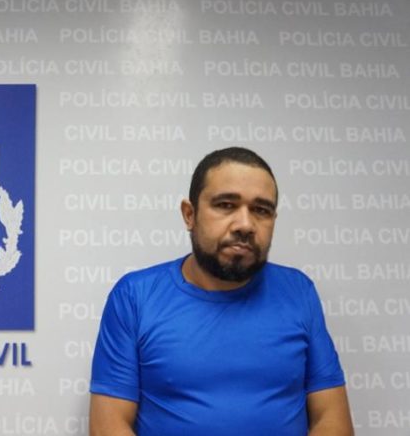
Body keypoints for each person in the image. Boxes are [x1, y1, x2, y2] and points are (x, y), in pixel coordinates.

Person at [89, 147, 353, 436]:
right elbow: (108, 426)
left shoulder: (299, 292)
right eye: (226, 205)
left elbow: (332, 419)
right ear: (189, 214)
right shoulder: (135, 297)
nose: (245, 225)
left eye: (261, 210)